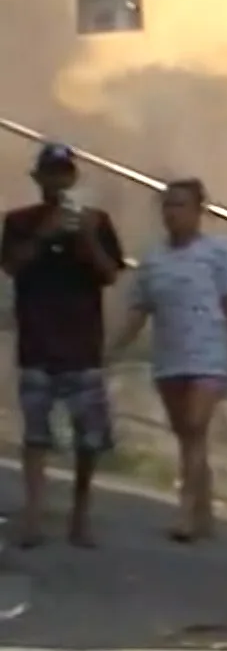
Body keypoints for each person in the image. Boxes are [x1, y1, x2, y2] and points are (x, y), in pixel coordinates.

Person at [0, 143, 125, 548]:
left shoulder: (96, 221)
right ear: (38, 179)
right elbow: (11, 265)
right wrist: (45, 233)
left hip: (82, 344)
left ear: (73, 178)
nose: (57, 181)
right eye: (50, 174)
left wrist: (86, 238)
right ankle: (34, 515)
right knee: (36, 435)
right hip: (37, 343)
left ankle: (80, 516)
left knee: (88, 440)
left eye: (63, 174)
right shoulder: (19, 222)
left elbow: (109, 275)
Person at [110, 179, 227, 544]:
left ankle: (185, 511)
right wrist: (116, 347)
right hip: (170, 354)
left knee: (195, 423)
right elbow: (140, 309)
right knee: (187, 434)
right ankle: (204, 509)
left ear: (199, 211)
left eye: (181, 205)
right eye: (168, 206)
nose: (173, 213)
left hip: (209, 351)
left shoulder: (219, 253)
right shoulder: (153, 259)